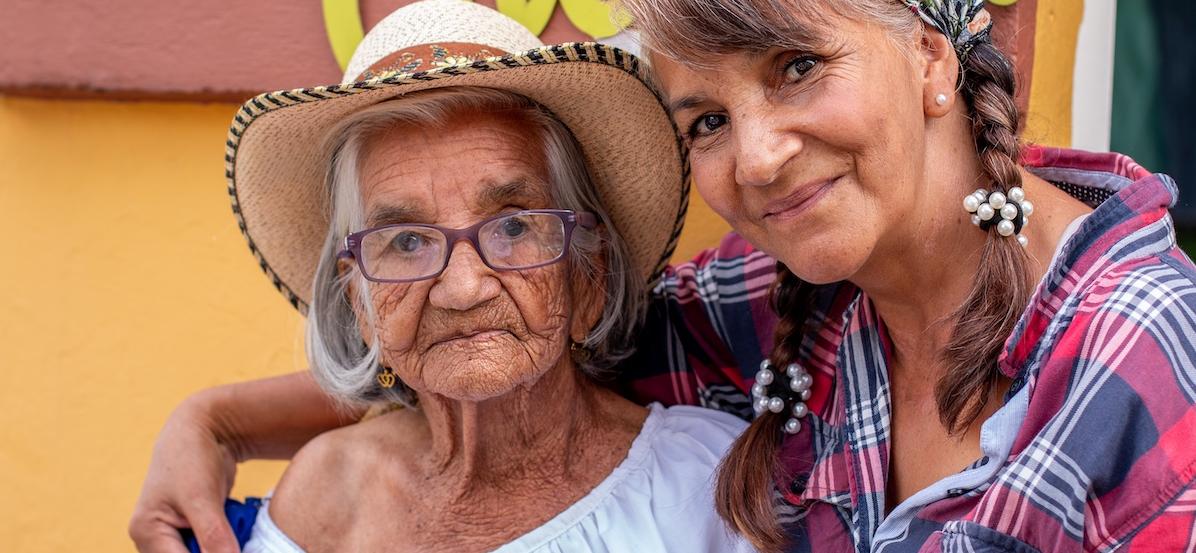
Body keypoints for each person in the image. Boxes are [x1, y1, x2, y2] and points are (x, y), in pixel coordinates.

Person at [132, 0, 1196, 551]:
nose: (761, 155)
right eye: (706, 121)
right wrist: (216, 421)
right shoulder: (796, 302)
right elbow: (499, 342)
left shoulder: (1137, 360)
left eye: (796, 67)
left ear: (928, 54)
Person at [129, 1, 755, 551]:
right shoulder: (322, 494)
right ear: (362, 300)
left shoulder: (706, 491)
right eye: (405, 241)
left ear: (587, 278)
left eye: (513, 227)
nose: (462, 289)